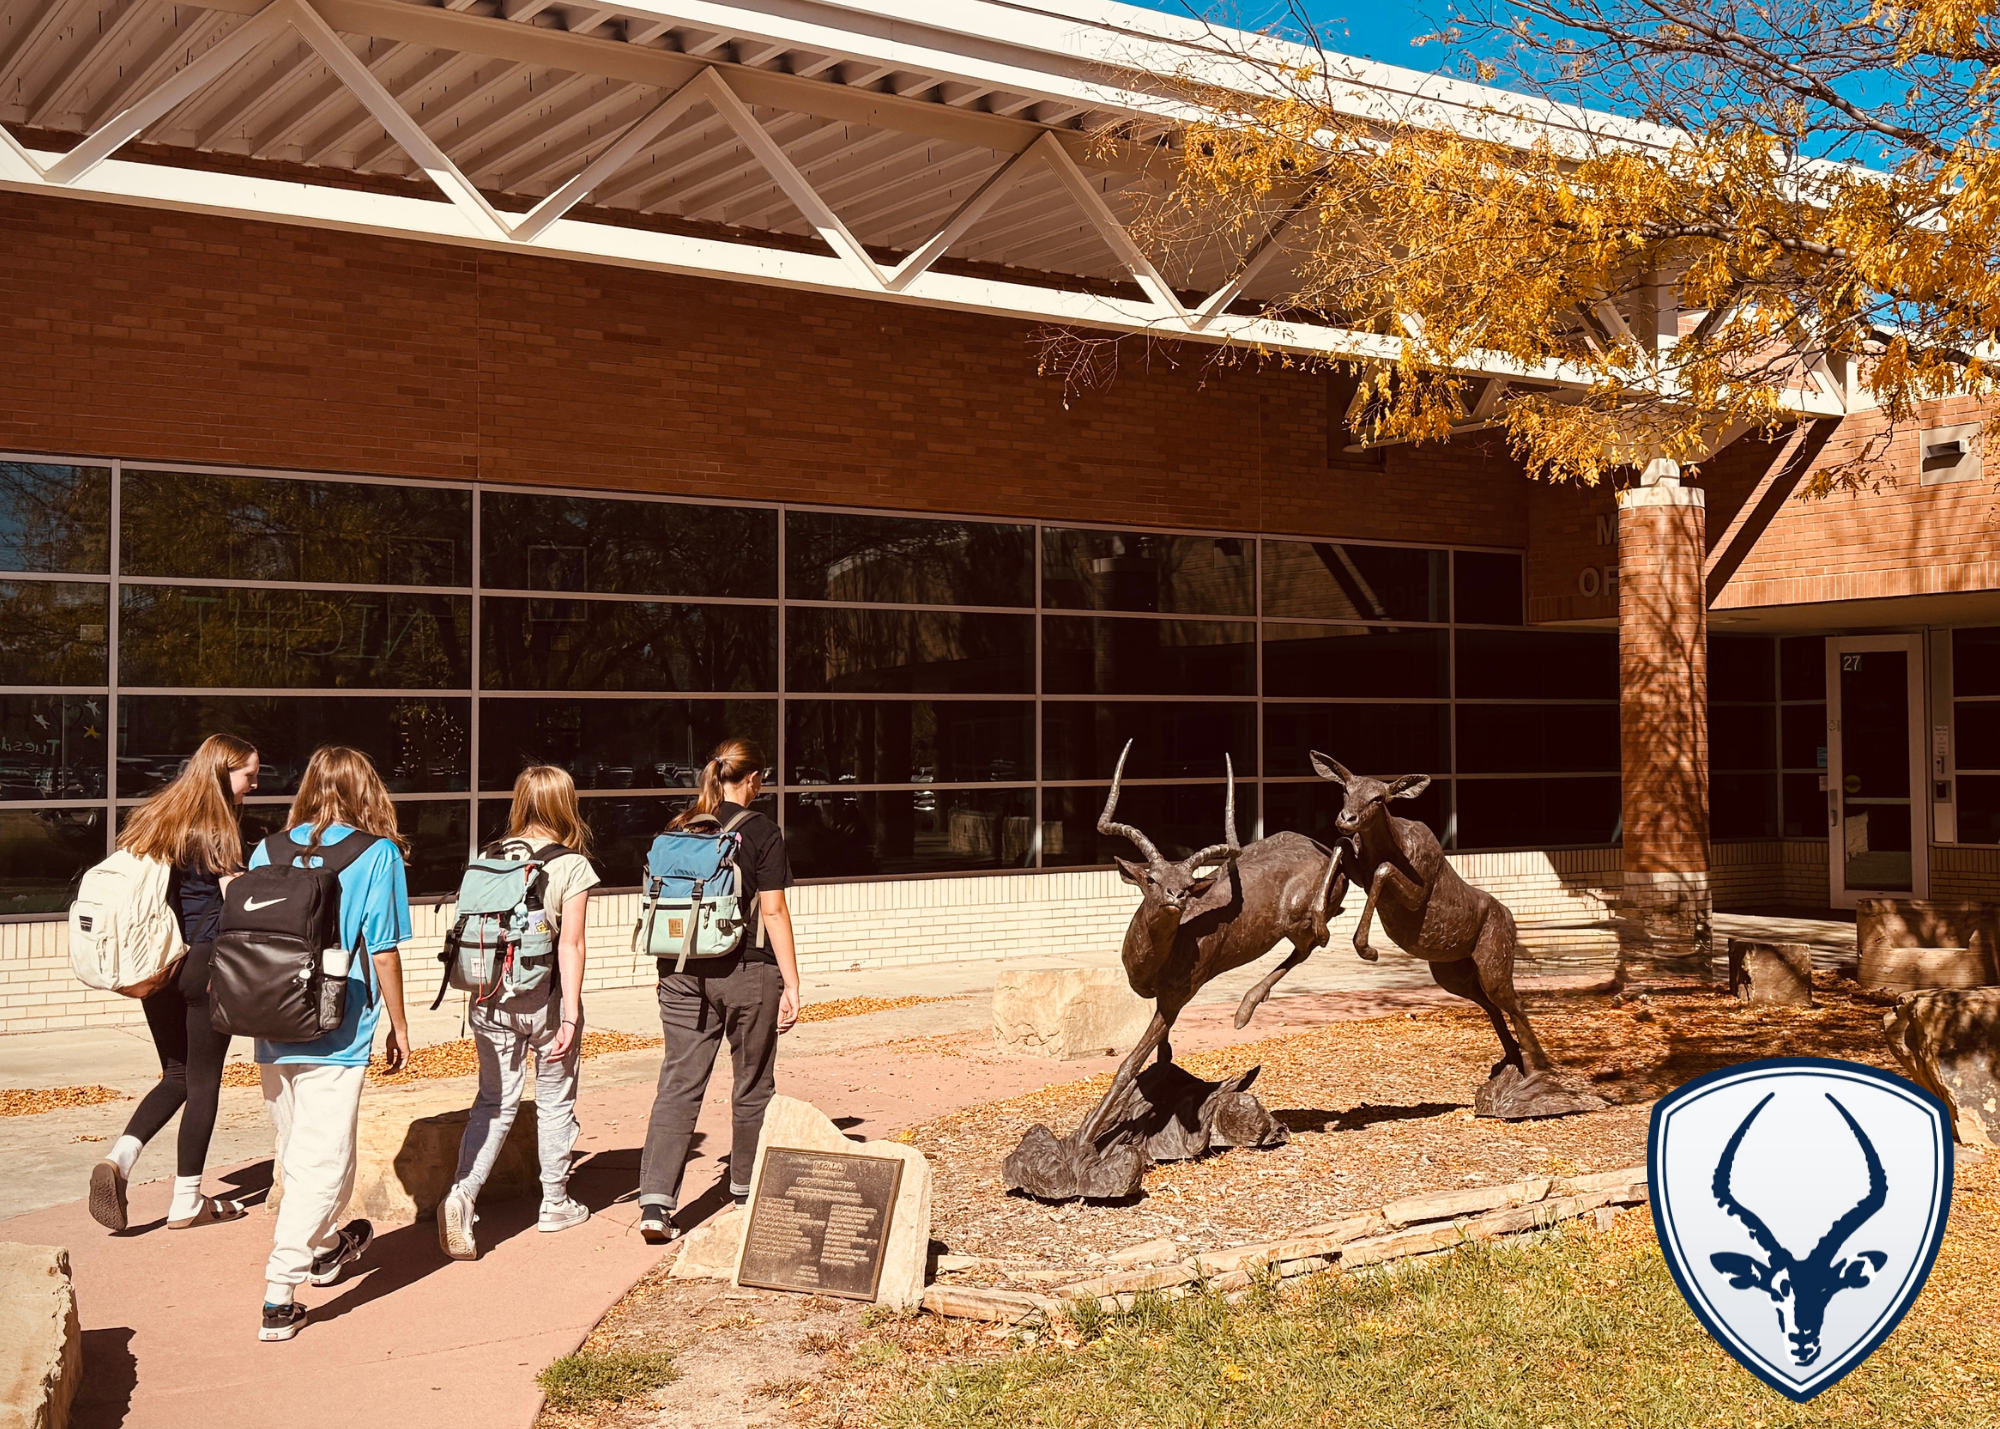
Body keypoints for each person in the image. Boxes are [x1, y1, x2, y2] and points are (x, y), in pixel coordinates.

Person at [251, 746, 413, 1344]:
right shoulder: (377, 853)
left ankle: (325, 1249)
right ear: (367, 790)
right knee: (324, 1158)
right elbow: (385, 949)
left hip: (270, 1018)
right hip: (337, 1024)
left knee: (299, 1149)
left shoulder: (267, 848)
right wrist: (399, 1024)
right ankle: (278, 1289)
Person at [89, 734, 260, 1233]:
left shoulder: (157, 817)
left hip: (158, 965)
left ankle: (119, 1160)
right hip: (205, 962)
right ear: (223, 773)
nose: (253, 785)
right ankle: (187, 1198)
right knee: (204, 1078)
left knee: (176, 1074)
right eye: (248, 775)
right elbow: (236, 898)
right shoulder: (217, 828)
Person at [637, 738, 803, 1243]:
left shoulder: (679, 827)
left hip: (679, 970)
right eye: (763, 778)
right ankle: (745, 1193)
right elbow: (772, 910)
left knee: (679, 1083)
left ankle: (655, 1203)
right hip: (746, 970)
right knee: (752, 1085)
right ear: (752, 779)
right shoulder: (761, 831)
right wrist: (793, 982)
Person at [438, 765, 601, 1261]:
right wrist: (570, 1016)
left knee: (494, 1102)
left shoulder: (487, 858)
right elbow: (570, 944)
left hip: (488, 1000)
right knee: (553, 1102)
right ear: (564, 803)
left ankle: (463, 1194)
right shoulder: (571, 865)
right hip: (544, 1002)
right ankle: (554, 1201)